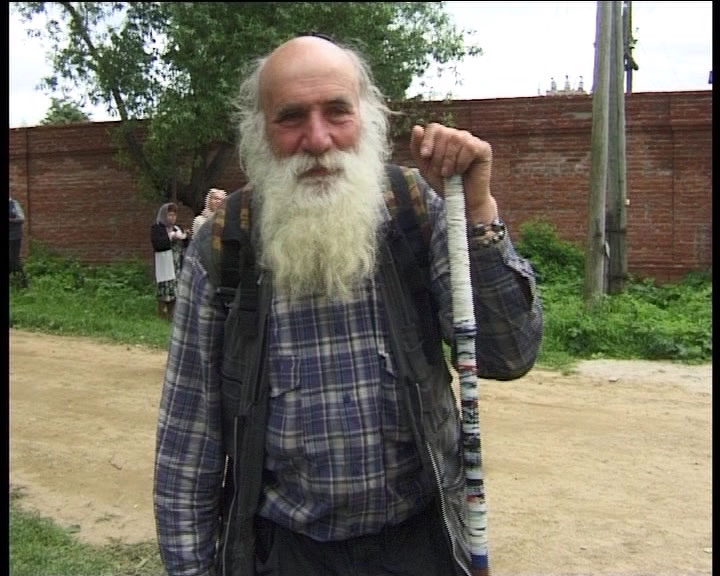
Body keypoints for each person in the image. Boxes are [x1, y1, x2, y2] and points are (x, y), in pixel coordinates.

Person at [154, 35, 543, 576]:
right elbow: (187, 447)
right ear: (260, 132)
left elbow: (509, 354)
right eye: (291, 117)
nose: (318, 139)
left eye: (337, 111)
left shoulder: (415, 209)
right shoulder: (224, 243)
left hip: (421, 546)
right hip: (287, 555)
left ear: (367, 117)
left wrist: (477, 211)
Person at [150, 202, 188, 320]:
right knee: (165, 288)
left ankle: (172, 313)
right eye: (169, 215)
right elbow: (158, 244)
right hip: (165, 263)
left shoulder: (177, 228)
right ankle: (162, 312)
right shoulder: (157, 228)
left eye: (174, 215)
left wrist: (185, 237)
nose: (172, 218)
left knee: (175, 289)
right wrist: (170, 237)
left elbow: (184, 245)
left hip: (176, 263)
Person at [9, 196, 28, 287]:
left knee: (13, 258)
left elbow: (22, 218)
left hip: (14, 236)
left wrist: (10, 220)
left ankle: (23, 283)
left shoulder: (14, 204)